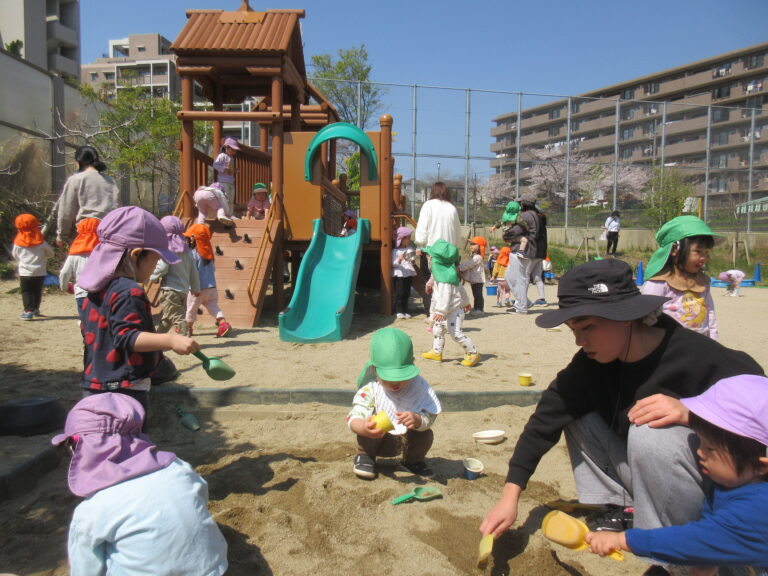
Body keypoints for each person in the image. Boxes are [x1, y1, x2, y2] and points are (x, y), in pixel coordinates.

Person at [479, 259, 763, 576]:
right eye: (573, 330)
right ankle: (622, 510)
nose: (579, 340)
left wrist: (690, 413)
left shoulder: (693, 356)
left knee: (650, 432)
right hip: (649, 477)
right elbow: (543, 421)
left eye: (587, 327)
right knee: (573, 414)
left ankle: (679, 560)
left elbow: (755, 400)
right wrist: (510, 497)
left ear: (626, 318)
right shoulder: (590, 365)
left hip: (718, 491)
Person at [587, 374, 768, 576]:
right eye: (700, 442)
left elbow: (696, 540)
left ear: (761, 466)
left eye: (711, 449)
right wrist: (703, 565)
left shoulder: (757, 509)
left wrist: (624, 540)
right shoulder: (730, 483)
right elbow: (708, 533)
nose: (699, 452)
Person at [53, 393, 228, 575]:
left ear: (80, 447)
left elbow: (85, 570)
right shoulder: (180, 469)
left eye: (69, 445)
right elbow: (201, 498)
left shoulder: (93, 510)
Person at [76, 206, 200, 413]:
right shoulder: (129, 291)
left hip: (94, 384)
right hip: (124, 390)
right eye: (155, 259)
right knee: (131, 441)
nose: (156, 266)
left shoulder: (94, 288)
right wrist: (171, 340)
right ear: (135, 254)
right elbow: (127, 337)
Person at [348, 327, 442, 479]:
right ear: (375, 369)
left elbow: (431, 413)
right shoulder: (372, 389)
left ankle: (411, 461)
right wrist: (363, 428)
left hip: (406, 439)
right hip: (378, 438)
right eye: (388, 377)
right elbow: (355, 415)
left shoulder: (418, 387)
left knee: (426, 435)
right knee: (370, 424)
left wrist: (418, 420)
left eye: (401, 376)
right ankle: (365, 456)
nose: (395, 382)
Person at [641, 215, 720, 340]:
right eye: (698, 251)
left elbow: (709, 310)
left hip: (701, 341)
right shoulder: (659, 283)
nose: (704, 258)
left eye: (707, 252)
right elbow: (647, 317)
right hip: (671, 343)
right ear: (674, 249)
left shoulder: (701, 281)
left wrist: (713, 338)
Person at [420, 239, 481, 367]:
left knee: (456, 334)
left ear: (436, 262)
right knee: (437, 331)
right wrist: (466, 302)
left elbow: (446, 296)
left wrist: (441, 311)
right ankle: (437, 352)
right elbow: (461, 290)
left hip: (452, 312)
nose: (427, 259)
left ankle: (472, 352)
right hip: (442, 313)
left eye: (429, 257)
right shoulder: (445, 274)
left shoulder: (445, 279)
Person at [56, 145, 120, 247]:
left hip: (86, 234)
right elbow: (116, 208)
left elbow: (66, 211)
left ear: (79, 160)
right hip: (109, 235)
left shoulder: (76, 179)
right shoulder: (110, 181)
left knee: (80, 262)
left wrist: (62, 235)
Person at [415, 182, 462, 313]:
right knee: (446, 281)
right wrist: (456, 248)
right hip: (449, 251)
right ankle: (448, 309)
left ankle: (431, 312)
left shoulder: (428, 205)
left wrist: (420, 243)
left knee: (428, 280)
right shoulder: (452, 208)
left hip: (432, 250)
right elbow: (458, 232)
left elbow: (422, 229)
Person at [150, 216, 200, 336]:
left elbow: (162, 267)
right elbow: (194, 271)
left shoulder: (169, 249)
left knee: (177, 317)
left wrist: (151, 277)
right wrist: (195, 288)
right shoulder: (187, 251)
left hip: (170, 290)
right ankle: (157, 340)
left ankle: (185, 338)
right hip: (183, 290)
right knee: (168, 318)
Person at [184, 223, 233, 338]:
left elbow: (190, 270)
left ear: (193, 239)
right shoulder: (210, 254)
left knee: (191, 309)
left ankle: (187, 328)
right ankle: (223, 324)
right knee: (213, 307)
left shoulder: (193, 254)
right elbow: (213, 269)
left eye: (188, 238)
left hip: (196, 288)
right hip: (211, 287)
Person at [12, 213, 55, 320]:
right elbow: (51, 254)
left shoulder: (18, 243)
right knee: (37, 291)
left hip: (24, 272)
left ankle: (28, 311)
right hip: (39, 272)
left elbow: (15, 255)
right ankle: (35, 308)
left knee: (27, 291)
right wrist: (43, 257)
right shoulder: (41, 242)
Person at [59, 217, 100, 322]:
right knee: (100, 324)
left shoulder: (74, 253)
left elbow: (64, 273)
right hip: (101, 294)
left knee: (86, 324)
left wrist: (64, 287)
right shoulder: (102, 252)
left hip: (82, 293)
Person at [519, 198, 548, 307]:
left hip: (533, 250)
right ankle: (542, 299)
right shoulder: (540, 216)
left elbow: (532, 234)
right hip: (541, 251)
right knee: (537, 276)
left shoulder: (530, 216)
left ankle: (523, 300)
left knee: (525, 274)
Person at [502, 215, 531, 315]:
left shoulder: (518, 225)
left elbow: (506, 237)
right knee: (509, 277)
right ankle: (525, 302)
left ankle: (522, 307)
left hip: (518, 254)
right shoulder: (516, 224)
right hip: (516, 252)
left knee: (519, 280)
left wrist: (507, 236)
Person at [392, 226, 417, 319]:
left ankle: (404, 310)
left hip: (408, 274)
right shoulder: (395, 251)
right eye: (408, 238)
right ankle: (398, 311)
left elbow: (411, 259)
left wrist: (413, 260)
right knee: (400, 293)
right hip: (399, 274)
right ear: (402, 239)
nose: (409, 240)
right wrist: (399, 259)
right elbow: (393, 264)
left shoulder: (409, 249)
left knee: (407, 293)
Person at [459, 236, 487, 315]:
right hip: (475, 280)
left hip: (478, 280)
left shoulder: (477, 257)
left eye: (473, 244)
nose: (470, 246)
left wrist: (459, 268)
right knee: (475, 294)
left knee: (478, 295)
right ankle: (476, 308)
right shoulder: (475, 256)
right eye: (470, 244)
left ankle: (480, 309)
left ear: (479, 247)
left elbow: (468, 265)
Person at [212, 137, 239, 214]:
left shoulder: (232, 158)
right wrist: (224, 169)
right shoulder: (222, 156)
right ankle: (224, 213)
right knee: (225, 198)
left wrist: (234, 171)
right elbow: (215, 165)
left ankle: (230, 214)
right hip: (223, 181)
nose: (234, 151)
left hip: (231, 181)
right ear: (226, 147)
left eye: (235, 150)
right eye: (232, 149)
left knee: (231, 198)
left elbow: (230, 170)